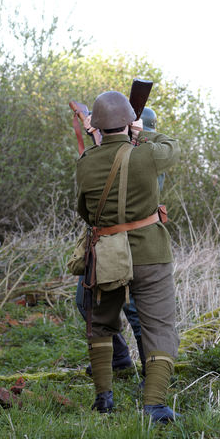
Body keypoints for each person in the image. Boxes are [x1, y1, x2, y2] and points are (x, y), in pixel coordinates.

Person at [76, 91, 180, 423]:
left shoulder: (86, 162)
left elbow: (84, 212)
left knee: (102, 326)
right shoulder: (147, 155)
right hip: (150, 253)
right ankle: (155, 406)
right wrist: (142, 131)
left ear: (98, 126)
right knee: (159, 326)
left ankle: (104, 400)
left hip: (107, 255)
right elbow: (171, 148)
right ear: (128, 123)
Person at [75, 107, 160, 379]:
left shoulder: (146, 158)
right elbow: (107, 164)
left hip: (135, 244)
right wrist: (97, 134)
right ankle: (119, 358)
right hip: (104, 242)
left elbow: (117, 177)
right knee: (85, 301)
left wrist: (98, 136)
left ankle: (151, 373)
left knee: (136, 312)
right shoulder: (122, 151)